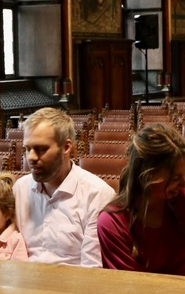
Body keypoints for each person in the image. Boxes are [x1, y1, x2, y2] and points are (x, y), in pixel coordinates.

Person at [98, 124, 185, 278]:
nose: (183, 184)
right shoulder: (112, 223)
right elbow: (130, 285)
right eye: (175, 178)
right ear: (148, 176)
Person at [13, 107, 115, 266]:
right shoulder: (20, 188)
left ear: (66, 147)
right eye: (27, 149)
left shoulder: (97, 194)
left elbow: (92, 268)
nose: (31, 157)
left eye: (41, 149)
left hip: (75, 281)